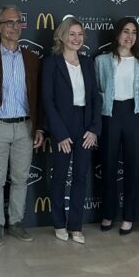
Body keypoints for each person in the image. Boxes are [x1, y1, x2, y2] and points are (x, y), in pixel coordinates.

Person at [0, 5, 44, 247]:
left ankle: (15, 222)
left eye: (18, 21)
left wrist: (39, 127)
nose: (15, 26)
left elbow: (39, 97)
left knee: (21, 179)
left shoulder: (32, 59)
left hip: (25, 128)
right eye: (9, 22)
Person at [42, 17, 101, 244]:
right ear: (62, 36)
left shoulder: (87, 62)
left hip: (84, 125)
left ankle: (76, 226)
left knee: (80, 177)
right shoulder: (51, 63)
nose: (77, 38)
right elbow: (47, 100)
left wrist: (94, 129)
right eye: (72, 34)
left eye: (80, 34)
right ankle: (59, 223)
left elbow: (95, 97)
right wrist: (59, 133)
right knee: (59, 176)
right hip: (62, 126)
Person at [95, 17, 139, 236]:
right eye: (126, 31)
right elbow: (97, 93)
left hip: (135, 114)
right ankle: (108, 214)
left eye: (134, 32)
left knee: (134, 168)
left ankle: (129, 217)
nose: (130, 36)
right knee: (108, 166)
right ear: (118, 33)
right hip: (110, 114)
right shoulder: (102, 61)